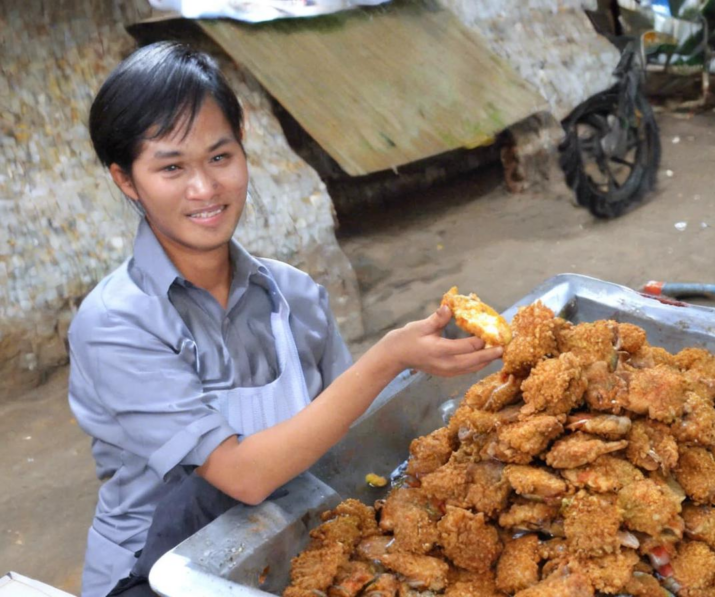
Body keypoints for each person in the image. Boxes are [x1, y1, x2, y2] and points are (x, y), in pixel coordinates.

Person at [68, 41, 502, 597]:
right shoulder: (116, 323)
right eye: (172, 167)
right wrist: (388, 356)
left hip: (287, 547)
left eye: (219, 157)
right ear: (126, 180)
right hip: (158, 577)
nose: (205, 188)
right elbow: (243, 475)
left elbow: (352, 440)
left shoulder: (294, 296)